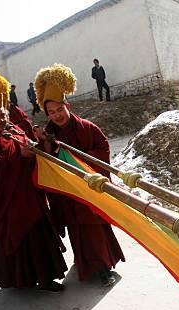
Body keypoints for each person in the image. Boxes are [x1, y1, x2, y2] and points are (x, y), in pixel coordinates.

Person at [0, 71, 66, 291]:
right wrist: (17, 157)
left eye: (3, 114)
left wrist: (43, 145)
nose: (1, 119)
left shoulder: (13, 131)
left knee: (40, 239)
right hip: (8, 205)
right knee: (22, 242)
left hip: (30, 198)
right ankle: (24, 280)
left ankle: (46, 279)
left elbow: (32, 152)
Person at [35, 63, 124, 286]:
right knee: (77, 231)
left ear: (68, 105)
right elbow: (46, 163)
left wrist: (76, 158)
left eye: (60, 110)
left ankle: (103, 267)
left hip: (89, 188)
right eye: (51, 112)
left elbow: (102, 149)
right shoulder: (49, 134)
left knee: (94, 229)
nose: (57, 116)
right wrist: (46, 146)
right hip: (68, 194)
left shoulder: (87, 127)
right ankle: (85, 264)